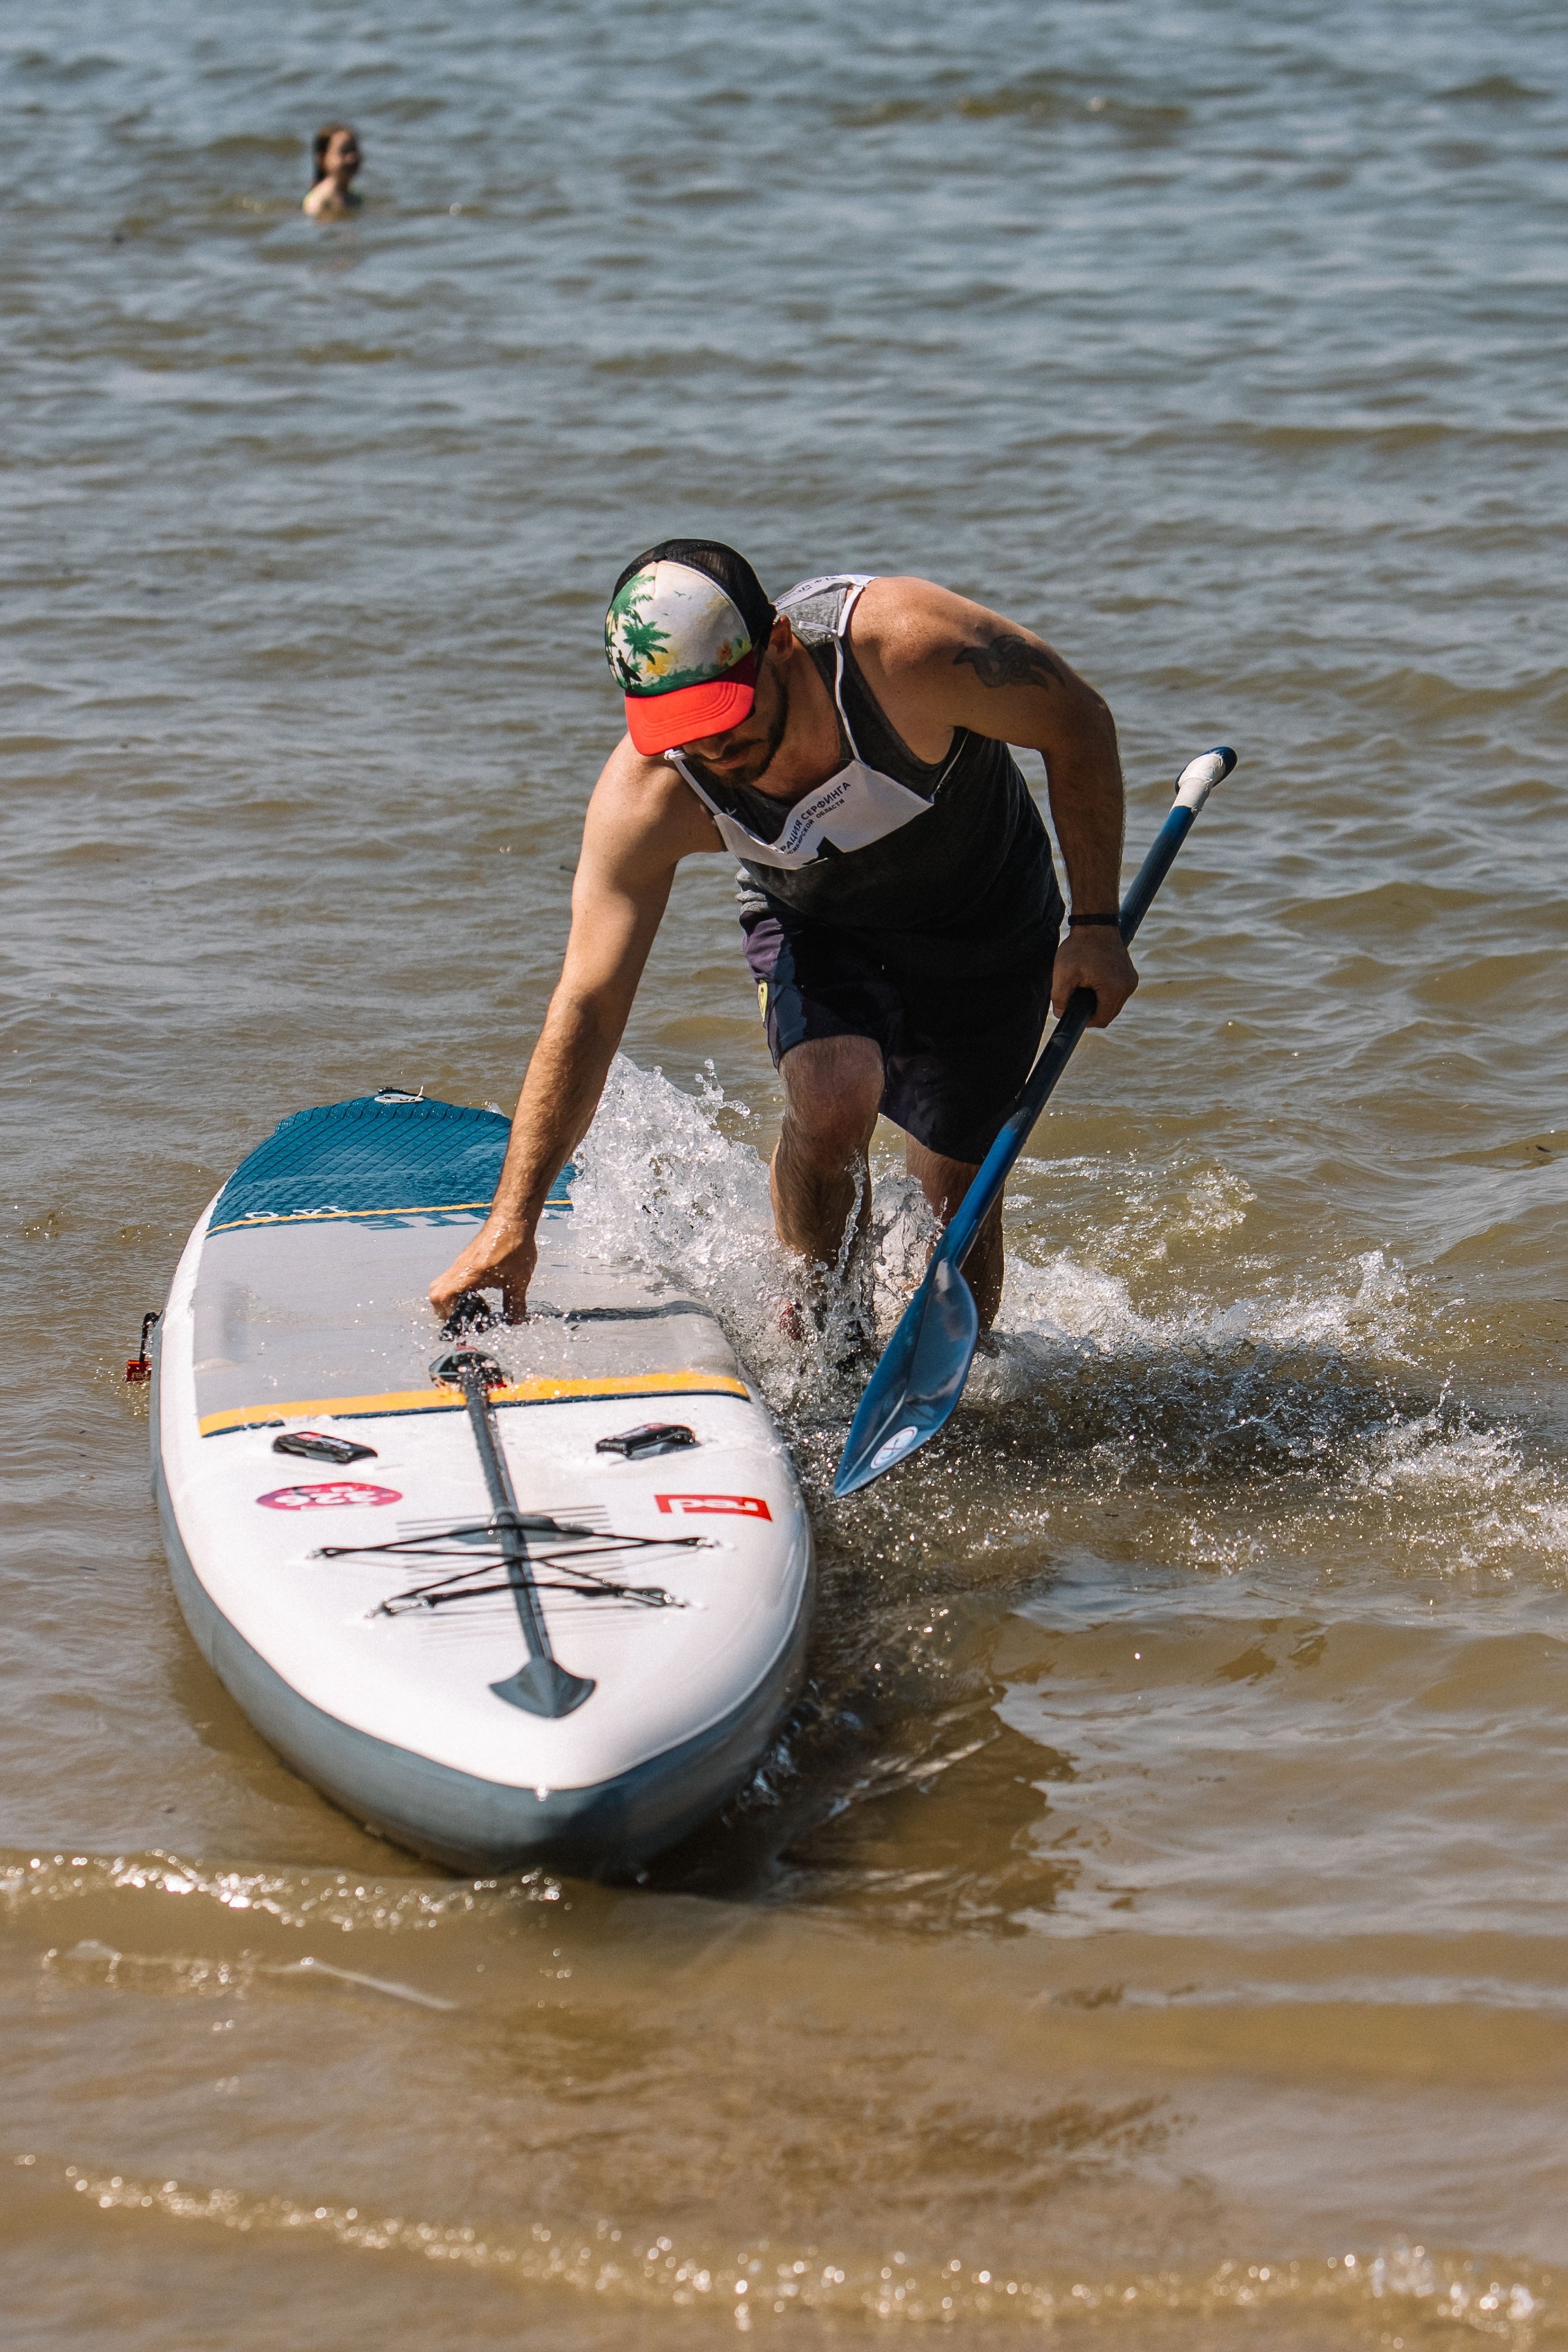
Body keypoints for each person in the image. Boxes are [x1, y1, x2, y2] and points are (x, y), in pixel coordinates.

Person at [429, 541, 1136, 1343]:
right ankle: (820, 1317)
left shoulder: (908, 654)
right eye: (683, 731)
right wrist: (511, 1223)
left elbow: (1076, 719)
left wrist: (1096, 926)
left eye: (725, 715)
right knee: (833, 1096)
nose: (713, 752)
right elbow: (590, 999)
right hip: (816, 917)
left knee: (958, 1207)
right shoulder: (652, 794)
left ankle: (943, 1351)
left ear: (780, 644)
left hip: (986, 913)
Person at [303, 124, 361, 217]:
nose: (352, 158)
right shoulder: (317, 202)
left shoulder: (355, 198)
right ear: (322, 158)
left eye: (354, 150)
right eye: (344, 151)